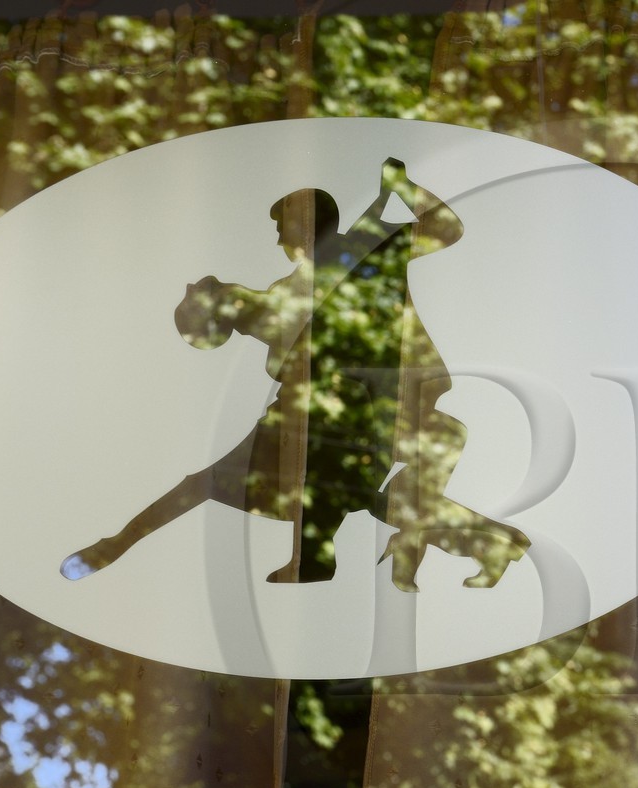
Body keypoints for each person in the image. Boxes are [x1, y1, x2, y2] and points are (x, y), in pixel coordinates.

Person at [63, 158, 529, 590]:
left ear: (304, 224)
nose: (279, 239)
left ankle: (312, 558)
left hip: (362, 407)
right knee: (360, 496)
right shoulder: (298, 285)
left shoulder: (368, 250)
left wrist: (405, 189)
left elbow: (446, 228)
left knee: (325, 484)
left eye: (283, 225)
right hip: (321, 411)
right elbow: (229, 324)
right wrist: (208, 300)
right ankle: (489, 542)